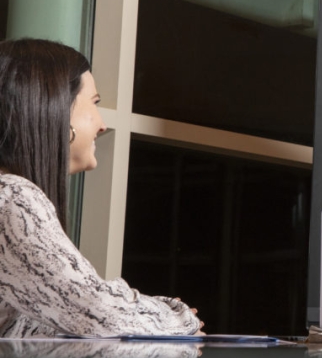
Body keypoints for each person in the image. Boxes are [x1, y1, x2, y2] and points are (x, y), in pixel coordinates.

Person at [0, 38, 202, 337]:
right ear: (55, 108)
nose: (102, 124)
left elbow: (26, 327)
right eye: (94, 103)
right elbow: (102, 314)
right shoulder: (12, 197)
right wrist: (178, 315)